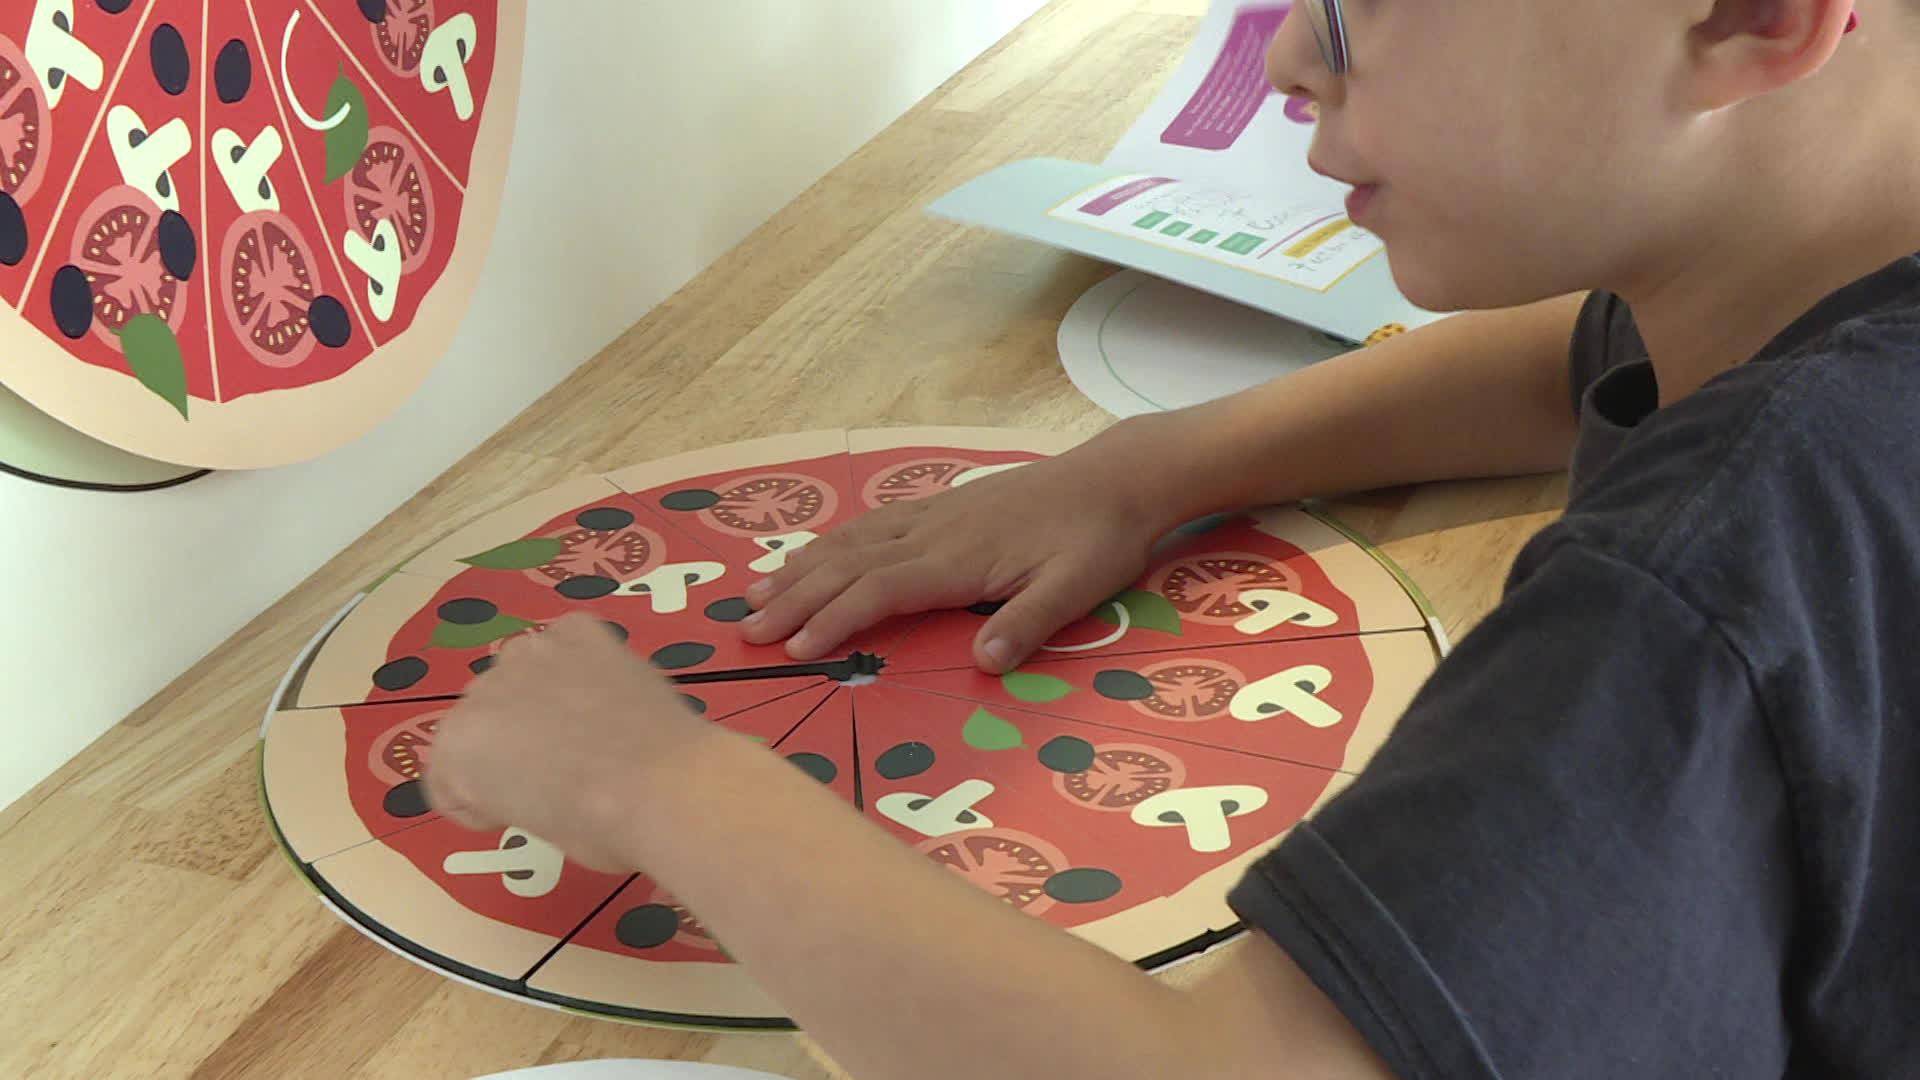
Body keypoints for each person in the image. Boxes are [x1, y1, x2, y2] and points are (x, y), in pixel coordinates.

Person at [422, 0, 1920, 1074]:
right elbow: (1583, 361)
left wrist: (661, 783)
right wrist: (1161, 465)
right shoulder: (1811, 242)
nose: (1280, 56)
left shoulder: (1712, 567)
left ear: (1755, 18)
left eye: (1349, 9)